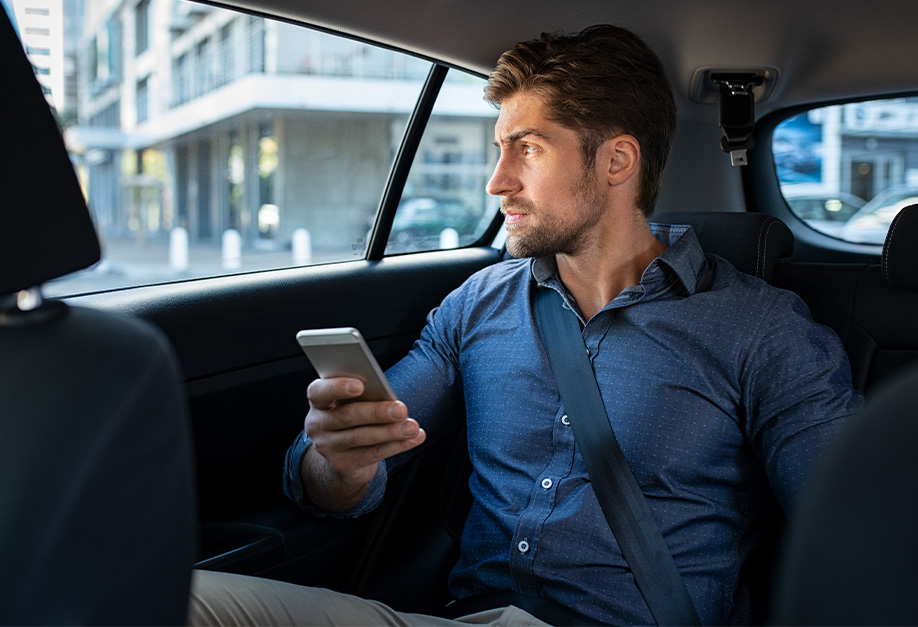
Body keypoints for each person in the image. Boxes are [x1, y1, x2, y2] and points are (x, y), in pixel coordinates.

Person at [190, 24, 862, 626]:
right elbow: (343, 482)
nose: (497, 180)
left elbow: (859, 526)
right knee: (178, 596)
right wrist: (337, 460)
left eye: (527, 149)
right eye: (498, 150)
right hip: (460, 619)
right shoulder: (477, 302)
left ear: (617, 161)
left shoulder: (760, 328)